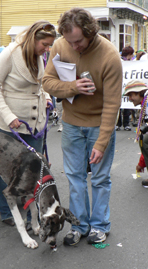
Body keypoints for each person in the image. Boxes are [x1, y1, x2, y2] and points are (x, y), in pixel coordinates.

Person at [43, 8, 122, 245]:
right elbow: (47, 82)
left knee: (99, 178)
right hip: (70, 124)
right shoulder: (60, 45)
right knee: (75, 177)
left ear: (90, 32)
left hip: (99, 125)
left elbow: (112, 105)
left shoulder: (109, 56)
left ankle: (99, 226)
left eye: (78, 41)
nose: (74, 46)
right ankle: (79, 225)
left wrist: (101, 142)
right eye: (69, 41)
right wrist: (74, 87)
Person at [0, 20, 56, 228]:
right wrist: (8, 116)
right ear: (33, 38)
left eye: (49, 45)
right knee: (9, 171)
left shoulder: (38, 55)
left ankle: (31, 217)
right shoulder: (9, 54)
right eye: (44, 44)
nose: (47, 49)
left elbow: (39, 84)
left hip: (35, 124)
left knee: (35, 172)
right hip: (11, 125)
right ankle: (6, 210)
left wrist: (46, 97)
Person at [117, 46, 135, 131]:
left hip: (127, 86)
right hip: (120, 85)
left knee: (127, 105)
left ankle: (126, 123)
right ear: (129, 54)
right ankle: (118, 123)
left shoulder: (131, 62)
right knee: (119, 106)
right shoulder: (120, 61)